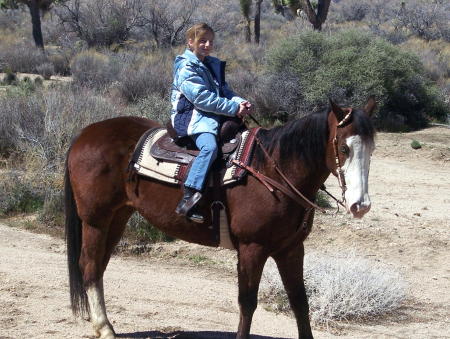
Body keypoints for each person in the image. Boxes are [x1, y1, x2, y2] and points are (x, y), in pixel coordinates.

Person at [170, 23, 253, 223]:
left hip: (211, 115)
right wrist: (233, 109)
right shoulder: (186, 66)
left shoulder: (210, 64)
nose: (207, 45)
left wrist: (240, 101)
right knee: (210, 148)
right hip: (193, 118)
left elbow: (225, 91)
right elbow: (201, 99)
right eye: (202, 41)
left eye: (210, 41)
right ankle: (189, 196)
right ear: (191, 42)